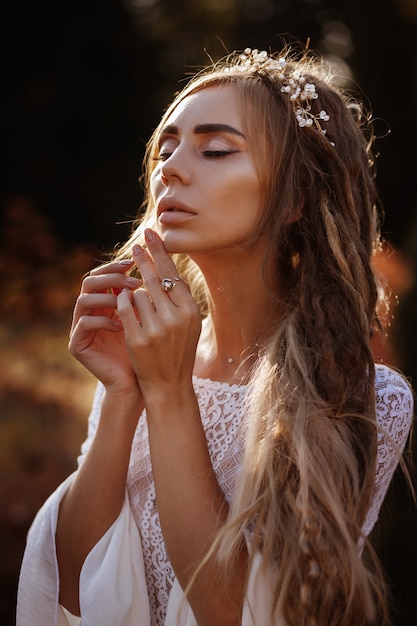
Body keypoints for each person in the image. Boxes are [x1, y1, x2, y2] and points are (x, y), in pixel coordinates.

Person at [17, 45, 414, 626]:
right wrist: (128, 393)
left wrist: (170, 393)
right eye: (166, 146)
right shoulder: (148, 353)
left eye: (217, 149)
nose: (171, 168)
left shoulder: (364, 398)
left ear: (295, 200)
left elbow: (239, 613)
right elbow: (70, 585)